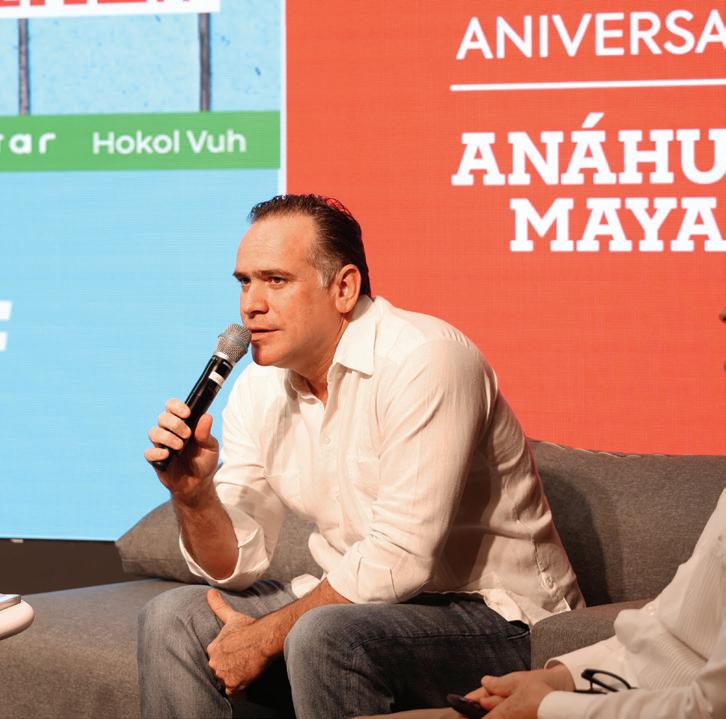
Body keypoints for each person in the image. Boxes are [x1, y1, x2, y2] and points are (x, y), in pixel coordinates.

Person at [139, 194, 583, 719]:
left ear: (344, 288)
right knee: (173, 618)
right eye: (244, 282)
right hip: (358, 609)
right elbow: (236, 566)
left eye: (275, 280)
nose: (250, 304)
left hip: (498, 618)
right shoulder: (259, 388)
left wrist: (264, 637)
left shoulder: (426, 359)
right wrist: (194, 497)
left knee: (325, 634)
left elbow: (400, 559)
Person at [360, 308, 726, 719]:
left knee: (334, 637)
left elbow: (708, 709)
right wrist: (559, 678)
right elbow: (671, 634)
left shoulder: (435, 359)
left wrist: (549, 707)